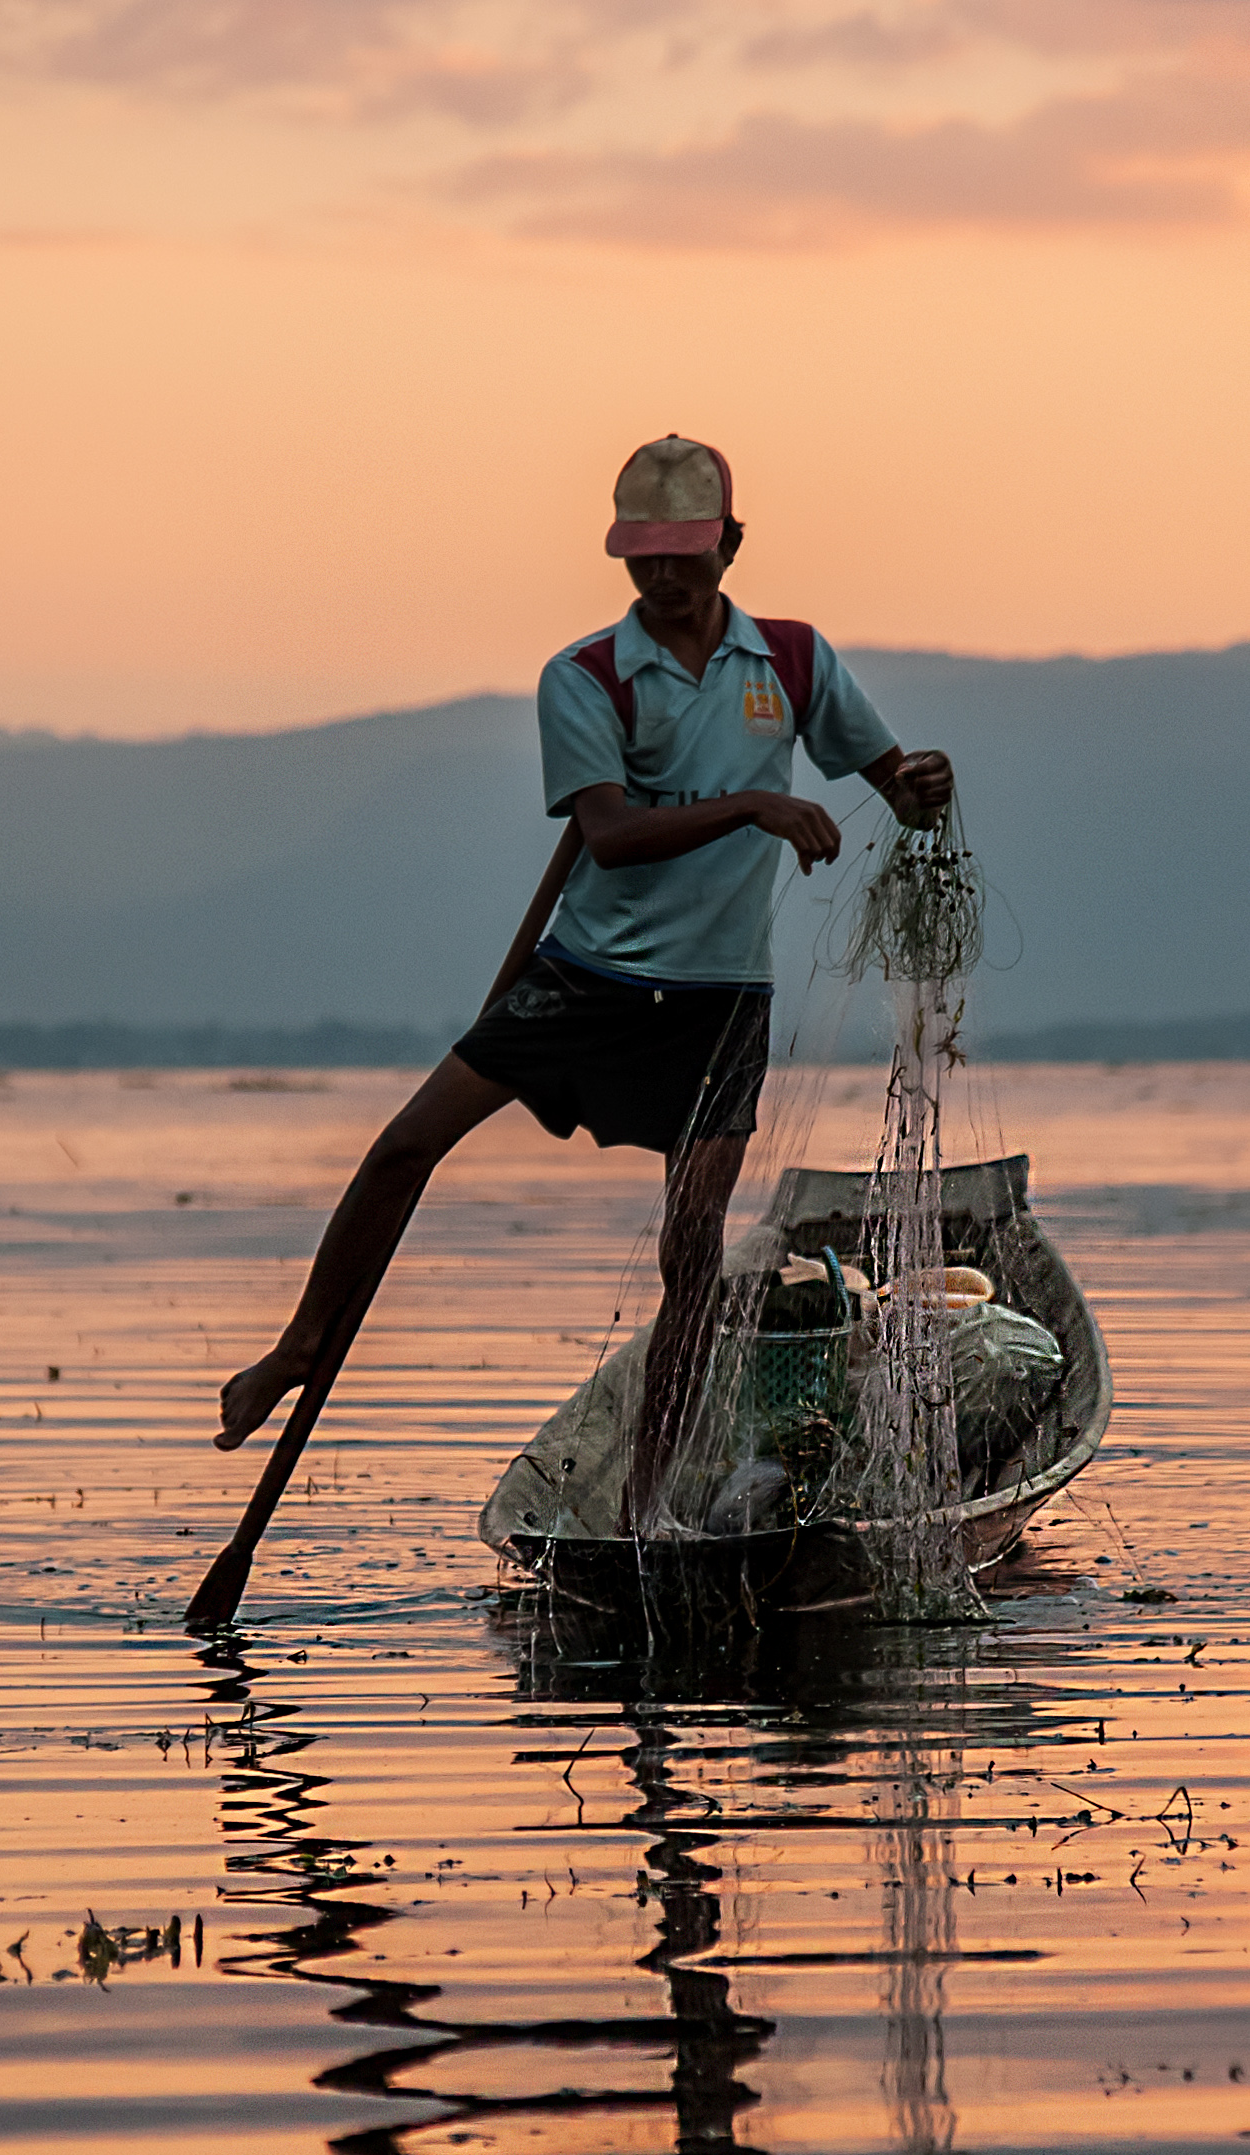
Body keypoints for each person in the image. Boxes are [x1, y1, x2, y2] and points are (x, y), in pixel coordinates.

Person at [215, 433, 952, 1523]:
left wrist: (920, 782)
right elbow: (606, 834)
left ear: (727, 546)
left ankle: (651, 1507)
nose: (662, 578)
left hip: (718, 1001)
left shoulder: (791, 662)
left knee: (690, 1250)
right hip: (587, 977)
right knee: (407, 1142)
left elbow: (898, 789)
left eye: (683, 557)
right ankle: (297, 1346)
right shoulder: (586, 675)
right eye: (641, 558)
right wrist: (753, 804)